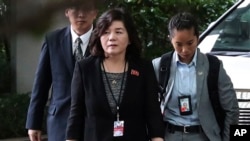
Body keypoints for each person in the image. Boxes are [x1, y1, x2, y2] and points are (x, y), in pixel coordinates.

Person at [65, 7, 165, 141]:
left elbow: (153, 112)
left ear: (129, 38)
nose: (112, 37)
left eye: (118, 32)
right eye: (106, 32)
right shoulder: (85, 69)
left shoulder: (143, 68)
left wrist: (157, 138)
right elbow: (76, 114)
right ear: (99, 37)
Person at [152, 12, 239, 141]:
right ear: (170, 40)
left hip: (203, 135)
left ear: (197, 37)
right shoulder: (159, 66)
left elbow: (231, 108)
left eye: (190, 43)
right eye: (179, 44)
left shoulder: (213, 66)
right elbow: (148, 107)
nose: (185, 50)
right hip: (170, 135)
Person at [25, 0, 98, 141]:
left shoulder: (103, 41)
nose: (81, 14)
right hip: (59, 120)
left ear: (95, 13)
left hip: (94, 122)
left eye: (86, 9)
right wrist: (33, 123)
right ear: (66, 11)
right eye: (75, 9)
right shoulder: (52, 40)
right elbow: (41, 84)